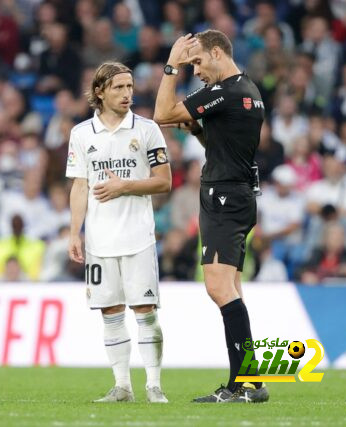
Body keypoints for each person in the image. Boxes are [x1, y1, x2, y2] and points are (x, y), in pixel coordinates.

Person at [154, 31, 268, 403]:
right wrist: (200, 131)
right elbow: (222, 145)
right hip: (239, 195)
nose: (196, 70)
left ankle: (247, 383)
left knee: (219, 289)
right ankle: (248, 382)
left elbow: (162, 114)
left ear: (217, 53)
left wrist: (172, 64)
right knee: (232, 289)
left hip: (223, 197)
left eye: (199, 61)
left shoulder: (227, 91)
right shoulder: (248, 89)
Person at [67, 62, 172, 403]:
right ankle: (122, 386)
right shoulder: (82, 134)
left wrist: (124, 186)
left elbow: (164, 181)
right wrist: (74, 232)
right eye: (119, 88)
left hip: (139, 237)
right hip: (99, 241)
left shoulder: (147, 130)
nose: (128, 94)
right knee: (110, 312)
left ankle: (154, 385)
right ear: (99, 92)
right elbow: (80, 186)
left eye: (130, 87)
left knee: (144, 311)